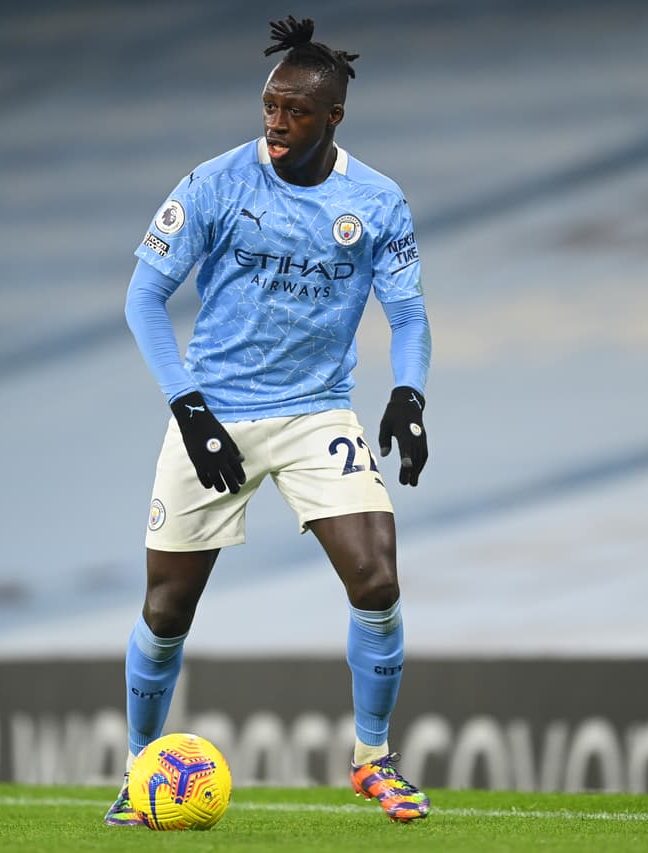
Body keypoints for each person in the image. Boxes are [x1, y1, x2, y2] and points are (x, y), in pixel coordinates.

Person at [106, 15, 433, 825]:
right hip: (212, 411)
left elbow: (410, 316)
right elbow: (142, 298)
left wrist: (409, 395)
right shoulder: (216, 183)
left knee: (378, 577)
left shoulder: (376, 201)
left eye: (294, 110)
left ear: (333, 119)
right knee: (165, 609)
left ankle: (373, 759)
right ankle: (139, 769)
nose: (275, 122)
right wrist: (190, 411)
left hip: (316, 411)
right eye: (269, 105)